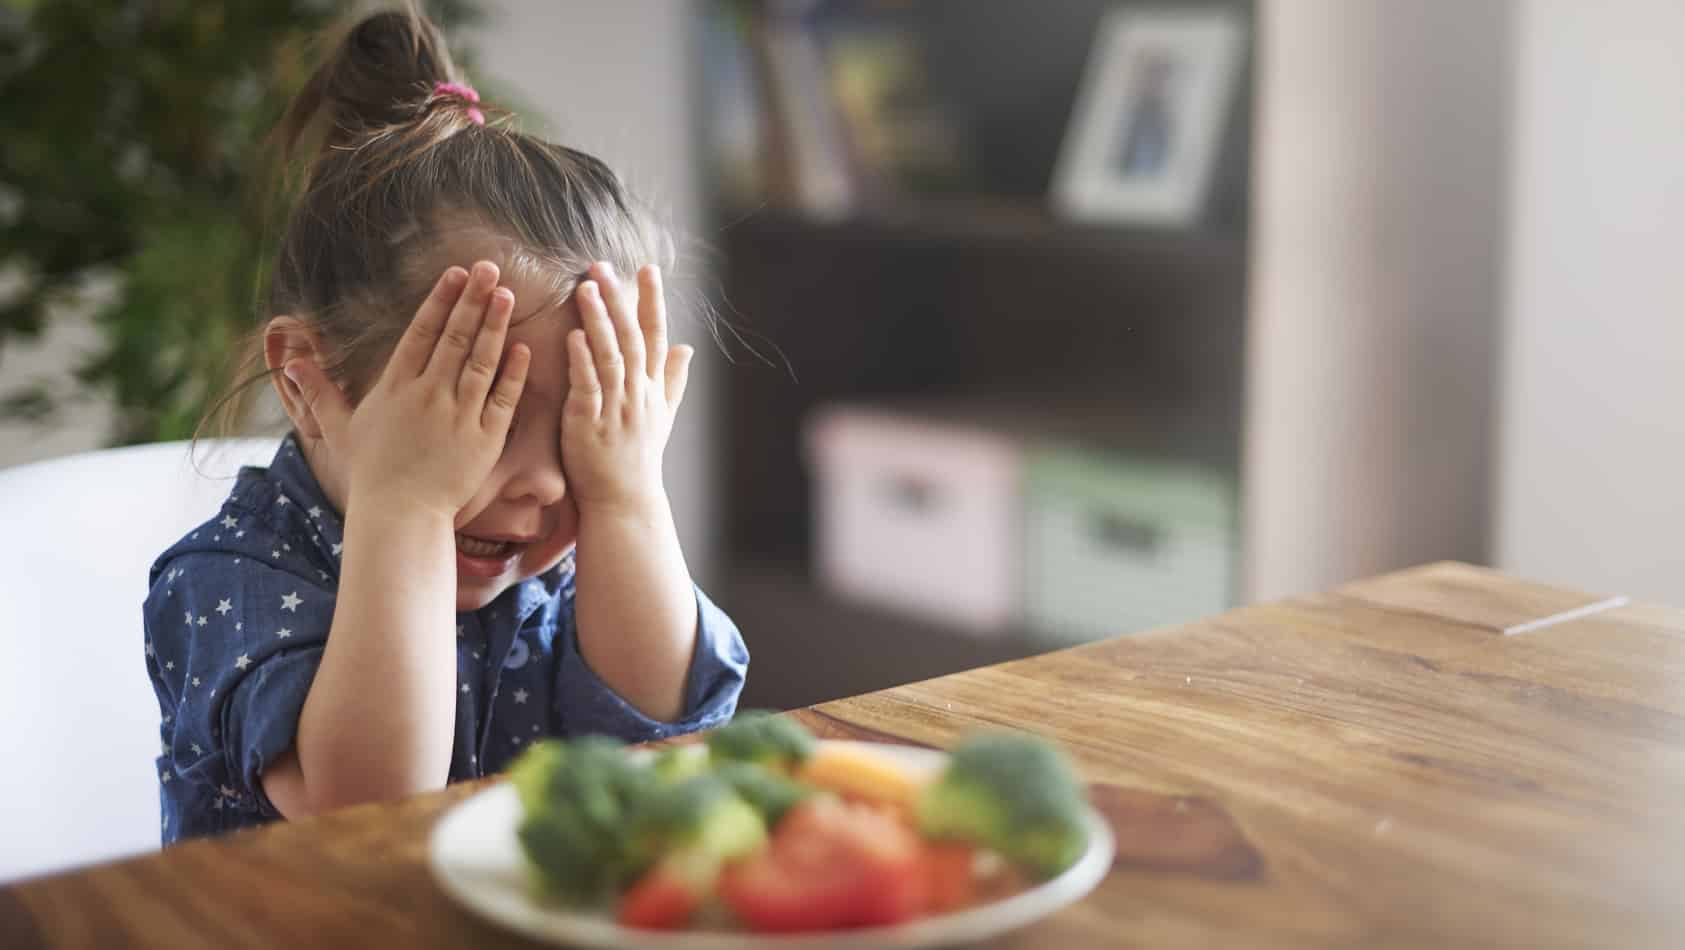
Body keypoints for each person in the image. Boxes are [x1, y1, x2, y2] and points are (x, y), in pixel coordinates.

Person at [142, 7, 747, 843]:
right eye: (484, 423)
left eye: (582, 429)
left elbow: (669, 728)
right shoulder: (230, 579)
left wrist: (625, 496)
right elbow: (368, 809)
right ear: (307, 383)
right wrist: (410, 509)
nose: (542, 481)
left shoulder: (573, 555)